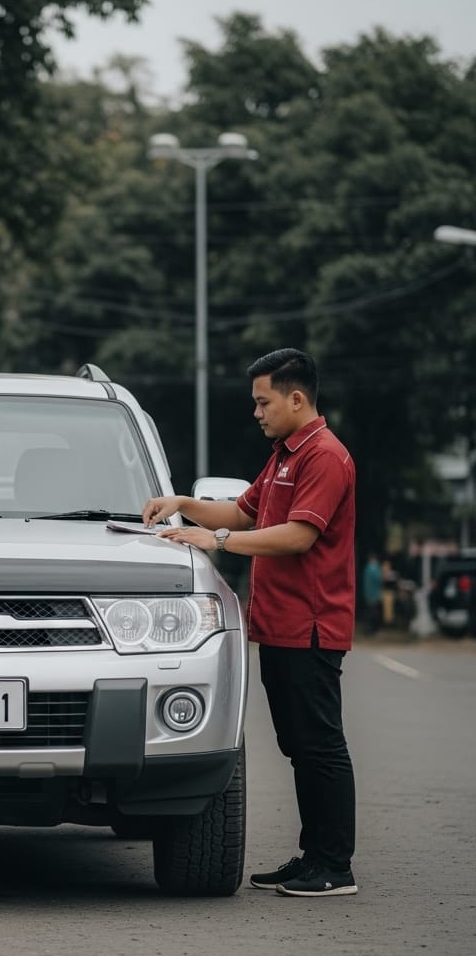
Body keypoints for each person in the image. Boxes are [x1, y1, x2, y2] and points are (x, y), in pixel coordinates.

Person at [143, 348, 358, 898]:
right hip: (280, 626)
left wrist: (214, 541)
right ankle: (313, 856)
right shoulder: (284, 455)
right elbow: (242, 512)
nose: (257, 412)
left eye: (264, 402)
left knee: (319, 745)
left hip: (310, 626)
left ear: (296, 398)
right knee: (298, 745)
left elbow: (298, 536)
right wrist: (182, 503)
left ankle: (334, 866)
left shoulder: (324, 457)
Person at [362, 554, 384, 634]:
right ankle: (374, 629)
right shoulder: (374, 568)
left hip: (368, 594)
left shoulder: (367, 568)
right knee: (374, 613)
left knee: (369, 612)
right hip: (374, 594)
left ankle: (368, 629)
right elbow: (379, 579)